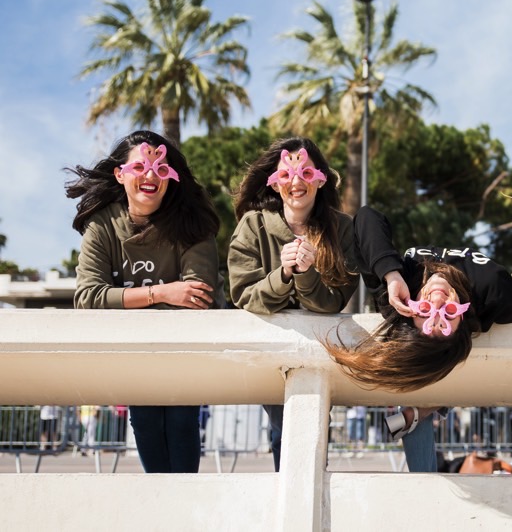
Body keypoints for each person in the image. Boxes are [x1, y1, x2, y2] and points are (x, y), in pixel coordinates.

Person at [321, 205, 512, 472]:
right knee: (430, 374)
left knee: (418, 381)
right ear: (464, 321)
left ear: (411, 315)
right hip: (451, 363)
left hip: (443, 365)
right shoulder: (492, 288)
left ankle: (422, 410)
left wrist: (390, 274)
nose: (437, 300)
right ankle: (424, 410)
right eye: (449, 314)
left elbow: (366, 218)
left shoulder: (398, 299)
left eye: (425, 312)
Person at [66, 130, 223, 473]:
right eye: (140, 166)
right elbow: (88, 298)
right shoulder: (102, 225)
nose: (150, 175)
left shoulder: (192, 224)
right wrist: (163, 292)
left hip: (185, 354)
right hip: (137, 355)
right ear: (120, 175)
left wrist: (121, 300)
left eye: (161, 168)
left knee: (182, 425)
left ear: (172, 177)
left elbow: (198, 296)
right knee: (146, 426)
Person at [227, 137, 357, 472]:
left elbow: (336, 300)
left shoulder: (342, 229)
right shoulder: (252, 225)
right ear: (274, 182)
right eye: (286, 174)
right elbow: (243, 295)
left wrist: (307, 273)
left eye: (305, 173)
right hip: (272, 351)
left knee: (314, 438)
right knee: (281, 433)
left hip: (321, 351)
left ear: (320, 178)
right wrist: (283, 273)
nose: (296, 182)